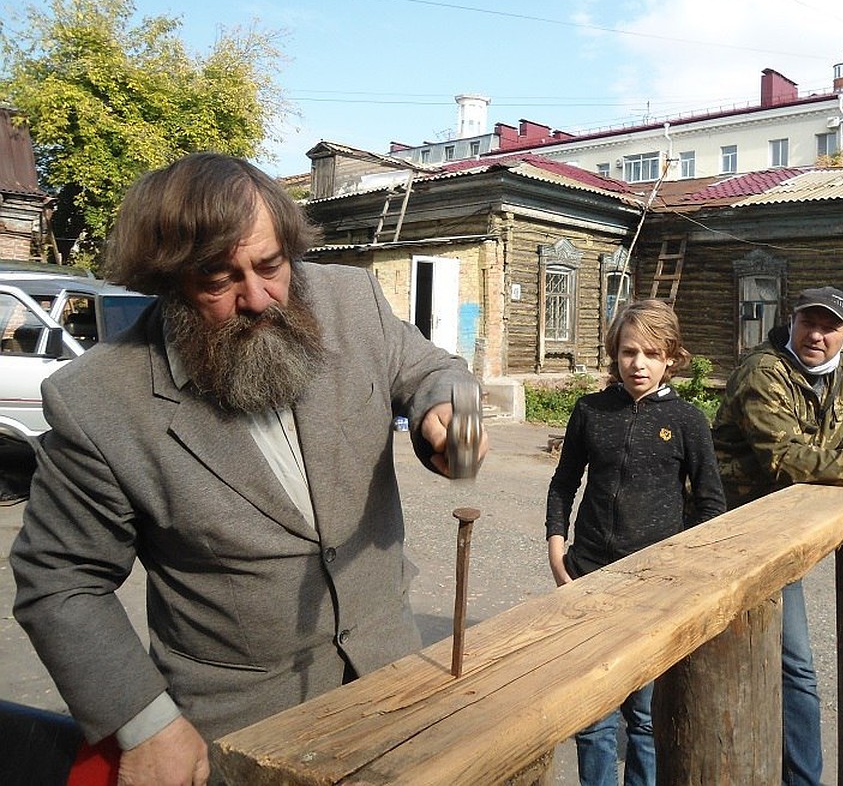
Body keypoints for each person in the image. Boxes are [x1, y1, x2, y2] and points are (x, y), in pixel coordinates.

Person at [10, 153, 487, 786]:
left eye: (270, 265)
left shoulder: (352, 300)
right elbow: (60, 581)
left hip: (393, 679)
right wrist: (144, 722)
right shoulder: (98, 401)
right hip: (243, 734)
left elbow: (435, 369)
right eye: (218, 279)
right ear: (168, 277)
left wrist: (456, 419)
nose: (259, 298)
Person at [711, 285, 843, 786]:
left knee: (782, 665)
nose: (817, 335)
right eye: (810, 321)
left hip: (782, 528)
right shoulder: (764, 370)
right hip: (732, 527)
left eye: (830, 327)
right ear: (793, 319)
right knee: (782, 665)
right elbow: (786, 460)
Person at [545, 299, 725, 786]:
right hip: (587, 578)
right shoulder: (591, 411)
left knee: (644, 717)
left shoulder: (687, 420)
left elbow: (711, 504)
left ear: (671, 357)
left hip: (652, 588)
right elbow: (564, 482)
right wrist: (557, 549)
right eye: (628, 352)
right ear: (614, 354)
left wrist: (683, 570)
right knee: (593, 715)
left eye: (650, 352)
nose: (637, 364)